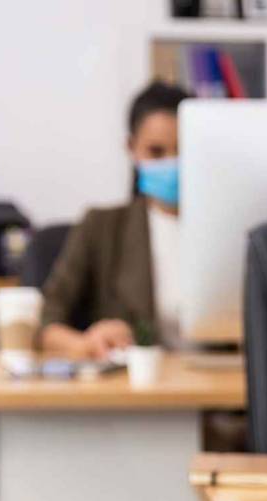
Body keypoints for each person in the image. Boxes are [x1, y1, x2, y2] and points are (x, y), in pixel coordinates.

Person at [40, 81, 190, 358]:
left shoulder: (236, 235)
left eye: (184, 150)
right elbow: (45, 321)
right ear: (132, 148)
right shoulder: (101, 227)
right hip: (137, 392)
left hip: (222, 392)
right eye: (156, 152)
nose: (172, 163)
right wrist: (85, 344)